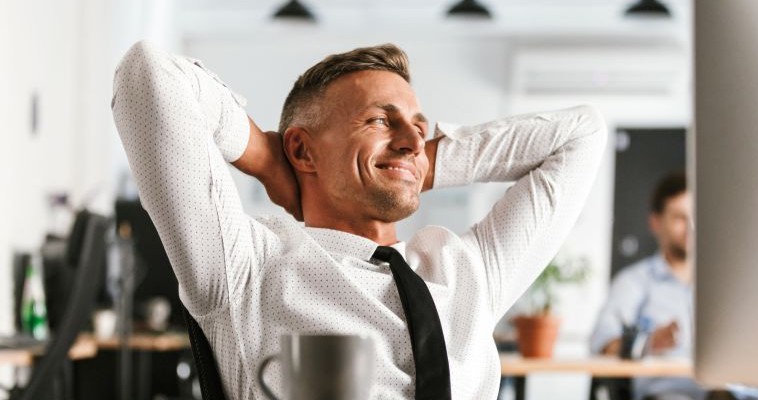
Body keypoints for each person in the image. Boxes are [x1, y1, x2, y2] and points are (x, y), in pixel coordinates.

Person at [112, 41, 606, 399]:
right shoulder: (248, 266)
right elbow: (148, 78)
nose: (412, 138)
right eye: (378, 120)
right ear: (302, 149)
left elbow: (582, 135)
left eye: (417, 126)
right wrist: (265, 157)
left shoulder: (465, 269)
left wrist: (418, 161)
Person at [589, 172, 704, 400]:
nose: (690, 227)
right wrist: (648, 343)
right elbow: (602, 339)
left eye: (695, 217)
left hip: (724, 390)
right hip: (668, 393)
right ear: (656, 223)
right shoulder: (635, 282)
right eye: (680, 218)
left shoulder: (720, 285)